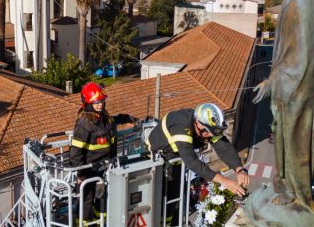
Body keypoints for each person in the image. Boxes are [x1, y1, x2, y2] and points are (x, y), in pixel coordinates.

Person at [252, 0, 314, 219]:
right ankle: (291, 191)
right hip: (298, 88)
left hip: (295, 91)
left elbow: (301, 57)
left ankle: (298, 195)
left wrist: (274, 82)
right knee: (292, 142)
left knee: (293, 141)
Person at [147, 103, 250, 225]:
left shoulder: (206, 126)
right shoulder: (180, 126)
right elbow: (192, 162)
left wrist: (240, 169)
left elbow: (224, 148)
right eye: (208, 132)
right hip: (158, 163)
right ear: (199, 124)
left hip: (176, 159)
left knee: (175, 199)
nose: (211, 136)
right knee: (164, 201)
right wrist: (224, 181)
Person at [69, 82, 136, 225]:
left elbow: (113, 120)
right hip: (89, 170)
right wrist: (80, 175)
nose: (100, 104)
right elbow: (75, 153)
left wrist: (129, 118)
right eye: (96, 101)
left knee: (102, 199)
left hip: (105, 167)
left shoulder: (104, 117)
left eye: (102, 101)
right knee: (86, 201)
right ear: (88, 102)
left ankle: (101, 223)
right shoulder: (84, 124)